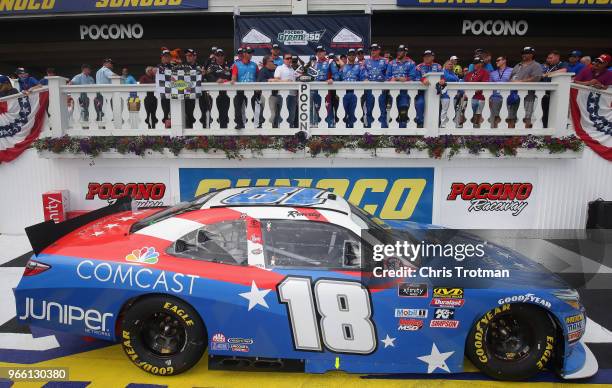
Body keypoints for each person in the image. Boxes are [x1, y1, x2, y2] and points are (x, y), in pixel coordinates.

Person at [508, 46, 543, 128]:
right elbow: (511, 77)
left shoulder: (536, 65)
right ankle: (510, 136)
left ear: (532, 54)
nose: (524, 55)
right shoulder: (518, 65)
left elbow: (536, 78)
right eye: (523, 53)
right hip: (514, 94)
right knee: (511, 115)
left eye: (526, 53)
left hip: (528, 95)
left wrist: (520, 82)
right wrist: (512, 81)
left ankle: (525, 137)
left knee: (527, 115)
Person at [386, 44, 417, 128]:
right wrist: (395, 79)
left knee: (403, 112)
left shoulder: (411, 63)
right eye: (398, 51)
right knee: (392, 113)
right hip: (392, 92)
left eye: (401, 51)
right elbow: (387, 77)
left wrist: (406, 79)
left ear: (405, 52)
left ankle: (402, 134)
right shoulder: (391, 63)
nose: (399, 53)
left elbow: (413, 77)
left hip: (405, 92)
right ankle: (392, 133)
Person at [231, 46, 258, 129]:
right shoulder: (236, 65)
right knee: (237, 105)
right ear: (244, 53)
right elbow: (234, 77)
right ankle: (239, 123)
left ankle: (256, 124)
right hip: (240, 90)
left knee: (255, 108)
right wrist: (232, 81)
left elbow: (258, 78)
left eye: (251, 53)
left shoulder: (254, 65)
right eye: (249, 53)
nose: (251, 54)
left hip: (252, 90)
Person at [415, 50, 443, 128]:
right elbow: (415, 78)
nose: (426, 58)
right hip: (421, 92)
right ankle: (420, 124)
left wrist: (442, 80)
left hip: (436, 92)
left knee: (437, 109)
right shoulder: (419, 66)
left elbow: (443, 77)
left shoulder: (438, 66)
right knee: (420, 104)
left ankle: (436, 125)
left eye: (429, 56)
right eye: (425, 56)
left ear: (433, 57)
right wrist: (422, 79)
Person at [362, 43, 388, 128]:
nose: (373, 51)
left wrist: (385, 79)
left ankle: (383, 128)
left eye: (375, 49)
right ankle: (370, 128)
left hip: (381, 89)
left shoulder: (385, 61)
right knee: (369, 109)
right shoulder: (366, 61)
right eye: (372, 49)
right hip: (369, 89)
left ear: (379, 50)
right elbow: (363, 72)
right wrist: (365, 78)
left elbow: (389, 74)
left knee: (382, 109)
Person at [205, 48, 232, 128]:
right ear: (215, 57)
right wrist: (216, 80)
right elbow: (208, 76)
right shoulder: (211, 66)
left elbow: (232, 76)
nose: (220, 57)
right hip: (215, 94)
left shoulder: (228, 66)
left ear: (224, 56)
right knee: (215, 112)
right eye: (218, 55)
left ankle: (224, 129)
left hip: (227, 94)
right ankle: (215, 131)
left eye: (221, 55)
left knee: (226, 111)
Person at [541, 50, 569, 127]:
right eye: (548, 58)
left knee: (555, 112)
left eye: (551, 58)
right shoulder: (547, 66)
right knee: (545, 113)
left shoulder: (563, 64)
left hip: (556, 94)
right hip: (545, 93)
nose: (549, 60)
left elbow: (564, 70)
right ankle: (545, 129)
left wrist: (548, 74)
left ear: (557, 57)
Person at [339, 48, 364, 128]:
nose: (352, 56)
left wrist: (365, 79)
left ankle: (353, 133)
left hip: (355, 93)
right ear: (347, 56)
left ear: (355, 56)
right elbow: (338, 78)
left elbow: (363, 77)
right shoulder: (343, 67)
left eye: (353, 54)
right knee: (344, 112)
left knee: (354, 113)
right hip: (344, 93)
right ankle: (344, 132)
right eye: (350, 54)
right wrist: (332, 79)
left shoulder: (360, 67)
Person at [272, 53, 298, 127]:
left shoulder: (292, 69)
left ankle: (290, 134)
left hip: (293, 95)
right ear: (283, 60)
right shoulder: (279, 68)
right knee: (281, 114)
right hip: (282, 95)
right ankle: (280, 134)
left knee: (292, 114)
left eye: (290, 58)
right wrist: (285, 81)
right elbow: (275, 80)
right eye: (287, 58)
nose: (289, 60)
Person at [311, 46, 334, 127]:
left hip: (326, 89)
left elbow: (337, 75)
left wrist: (332, 79)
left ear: (325, 52)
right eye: (317, 51)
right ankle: (317, 127)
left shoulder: (330, 62)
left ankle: (330, 127)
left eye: (321, 51)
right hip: (316, 90)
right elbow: (311, 76)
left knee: (328, 108)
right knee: (316, 108)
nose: (319, 53)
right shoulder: (314, 64)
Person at [464, 57, 490, 128]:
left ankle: (477, 131)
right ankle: (469, 129)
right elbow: (465, 85)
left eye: (477, 63)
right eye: (474, 63)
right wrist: (465, 93)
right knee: (467, 113)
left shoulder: (485, 72)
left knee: (478, 115)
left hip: (480, 97)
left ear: (481, 63)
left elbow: (483, 85)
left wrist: (471, 92)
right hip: (469, 97)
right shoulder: (469, 74)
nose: (475, 65)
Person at [489, 56, 513, 128]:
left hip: (508, 97)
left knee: (509, 116)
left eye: (498, 60)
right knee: (496, 116)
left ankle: (510, 135)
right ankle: (497, 135)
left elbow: (515, 82)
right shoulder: (493, 73)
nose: (496, 62)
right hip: (495, 97)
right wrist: (489, 98)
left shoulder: (512, 70)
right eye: (496, 61)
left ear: (504, 61)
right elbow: (490, 87)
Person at [256, 55, 279, 127]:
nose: (273, 63)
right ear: (266, 62)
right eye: (271, 61)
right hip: (267, 96)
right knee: (271, 114)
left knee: (277, 115)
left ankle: (274, 131)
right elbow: (260, 82)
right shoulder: (263, 70)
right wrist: (270, 80)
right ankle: (267, 132)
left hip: (276, 95)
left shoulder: (276, 70)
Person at [183, 48, 204, 129]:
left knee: (201, 114)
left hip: (199, 95)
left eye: (190, 55)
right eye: (187, 55)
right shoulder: (182, 66)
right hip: (187, 95)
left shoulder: (201, 66)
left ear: (195, 57)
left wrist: (203, 74)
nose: (188, 57)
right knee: (189, 114)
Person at [438, 60, 462, 128]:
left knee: (452, 109)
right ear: (445, 65)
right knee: (444, 109)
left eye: (451, 64)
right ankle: (443, 124)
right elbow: (448, 78)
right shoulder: (443, 72)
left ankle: (449, 124)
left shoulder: (452, 72)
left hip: (454, 94)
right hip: (445, 94)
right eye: (449, 64)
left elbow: (456, 79)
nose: (450, 65)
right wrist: (456, 79)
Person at [157, 49, 173, 126]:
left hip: (174, 94)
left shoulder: (174, 66)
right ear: (161, 57)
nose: (166, 58)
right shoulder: (158, 67)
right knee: (165, 112)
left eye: (168, 56)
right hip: (163, 94)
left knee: (174, 113)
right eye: (165, 56)